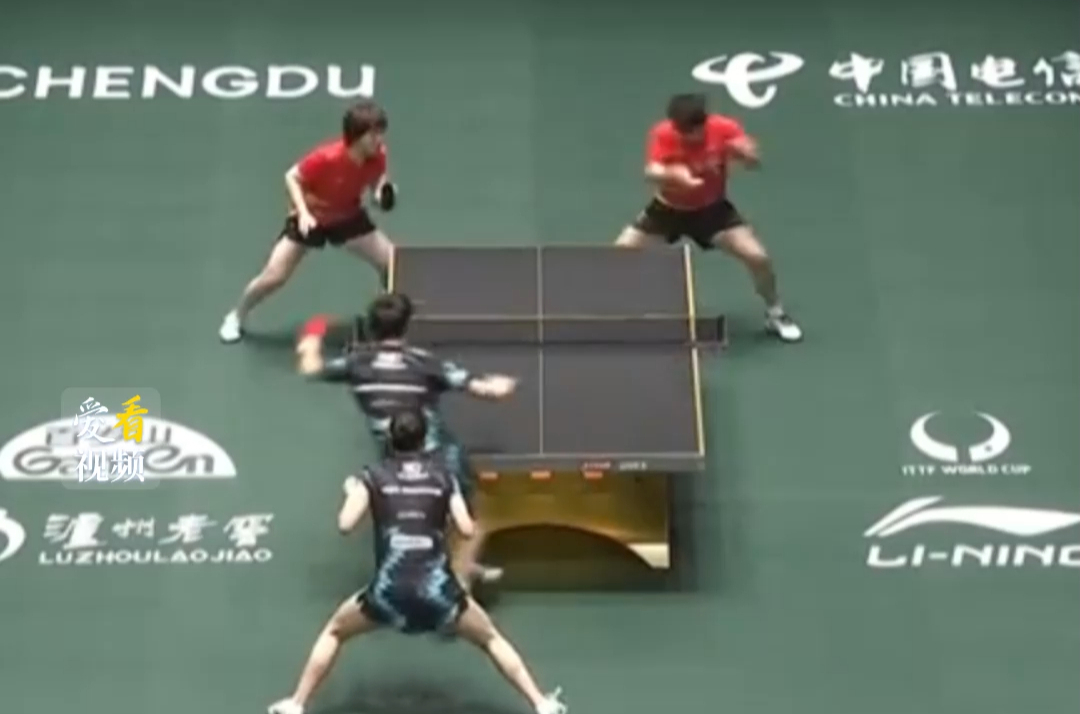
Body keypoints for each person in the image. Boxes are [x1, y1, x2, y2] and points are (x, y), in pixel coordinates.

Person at [266, 411, 567, 714]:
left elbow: (345, 524)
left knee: (334, 631)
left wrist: (352, 493)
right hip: (439, 593)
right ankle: (542, 704)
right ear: (424, 440)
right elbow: (466, 529)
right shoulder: (444, 477)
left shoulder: (372, 476)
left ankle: (296, 704)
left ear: (390, 439)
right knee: (490, 639)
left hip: (388, 593)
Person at [295, 292, 515, 588]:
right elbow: (487, 390)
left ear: (371, 327)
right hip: (441, 457)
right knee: (471, 514)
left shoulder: (356, 364)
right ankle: (462, 574)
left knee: (416, 516)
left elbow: (310, 368)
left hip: (393, 456)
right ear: (406, 326)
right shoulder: (424, 363)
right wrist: (502, 384)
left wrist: (313, 333)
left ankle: (450, 568)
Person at [613, 92, 803, 343]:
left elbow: (753, 160)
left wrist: (746, 155)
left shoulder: (724, 128)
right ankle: (615, 316)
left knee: (758, 257)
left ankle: (776, 314)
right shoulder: (663, 133)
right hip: (666, 211)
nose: (688, 137)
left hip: (712, 212)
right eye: (682, 132)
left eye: (693, 132)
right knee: (618, 254)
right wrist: (674, 176)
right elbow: (651, 171)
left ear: (704, 122)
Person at [219, 100, 399, 344]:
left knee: (392, 264)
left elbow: (377, 183)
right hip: (312, 218)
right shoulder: (327, 157)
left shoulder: (378, 155)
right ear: (357, 136)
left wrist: (381, 195)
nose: (379, 139)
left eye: (380, 133)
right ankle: (236, 316)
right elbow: (292, 177)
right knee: (274, 275)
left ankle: (384, 322)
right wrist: (303, 213)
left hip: (347, 216)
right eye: (373, 134)